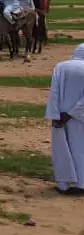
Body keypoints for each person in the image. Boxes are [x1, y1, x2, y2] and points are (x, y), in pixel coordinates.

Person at [44, 44, 84, 194]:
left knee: (61, 149)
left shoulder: (61, 67)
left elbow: (54, 92)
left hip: (60, 116)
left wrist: (56, 114)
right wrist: (73, 113)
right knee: (81, 149)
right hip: (79, 117)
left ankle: (63, 184)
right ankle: (81, 183)